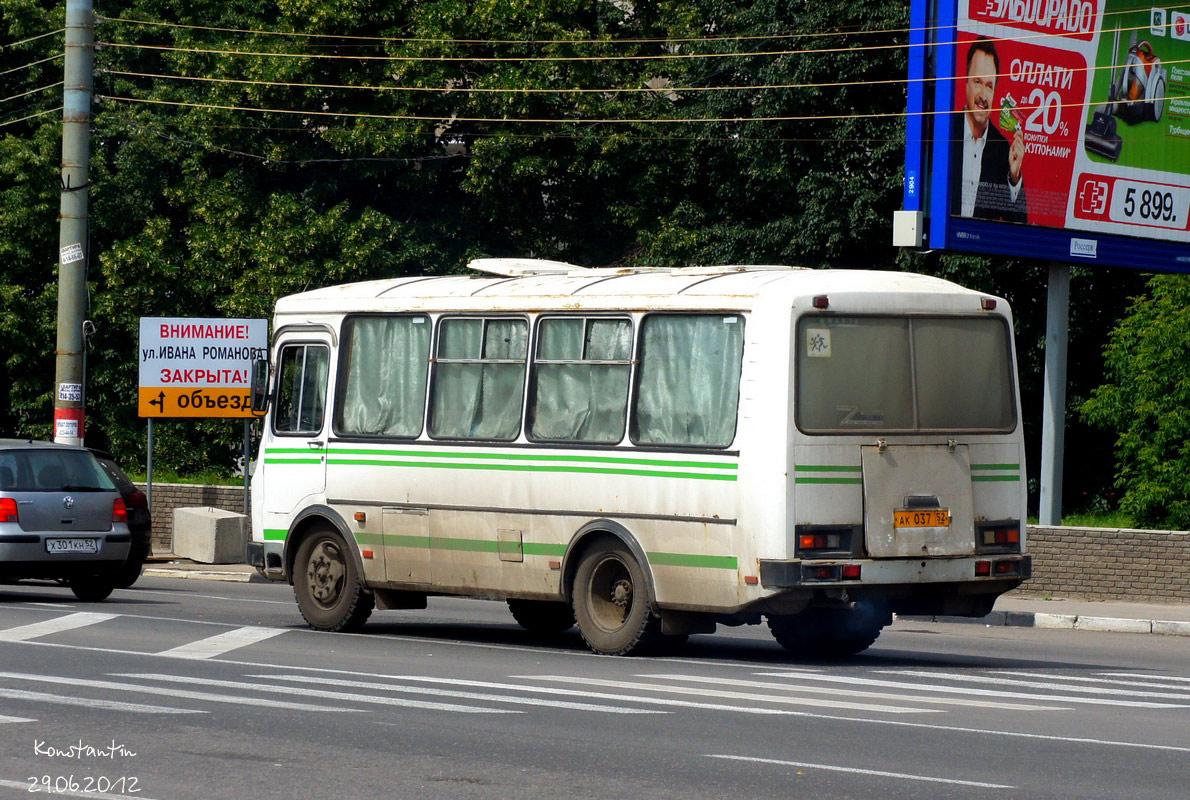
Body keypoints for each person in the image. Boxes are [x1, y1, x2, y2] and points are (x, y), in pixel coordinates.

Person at [958, 38, 1028, 223]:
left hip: (979, 250)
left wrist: (1013, 177)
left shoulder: (1002, 149)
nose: (983, 95)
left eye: (989, 86)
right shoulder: (943, 131)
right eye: (977, 82)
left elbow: (1020, 223)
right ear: (965, 84)